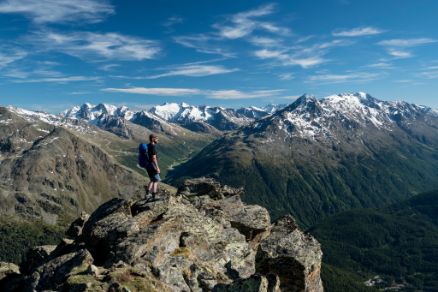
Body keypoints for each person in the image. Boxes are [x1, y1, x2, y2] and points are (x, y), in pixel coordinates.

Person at [146, 133, 160, 200]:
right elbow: (154, 158)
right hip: (153, 166)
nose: (158, 140)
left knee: (152, 180)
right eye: (157, 138)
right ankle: (154, 196)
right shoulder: (152, 147)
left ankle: (147, 194)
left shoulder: (148, 145)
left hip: (148, 165)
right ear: (153, 139)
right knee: (156, 180)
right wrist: (157, 167)